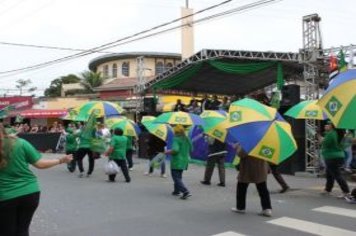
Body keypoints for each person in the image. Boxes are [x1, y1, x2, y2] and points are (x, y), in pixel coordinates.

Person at [0, 123, 72, 236]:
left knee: (6, 231)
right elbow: (40, 164)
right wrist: (60, 160)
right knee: (22, 230)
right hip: (30, 192)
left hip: (5, 196)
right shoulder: (20, 143)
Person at [231, 145, 272, 217]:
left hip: (248, 167)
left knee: (241, 187)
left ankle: (240, 207)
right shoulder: (265, 141)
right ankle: (267, 209)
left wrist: (237, 147)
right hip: (261, 167)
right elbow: (268, 155)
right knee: (262, 188)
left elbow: (240, 154)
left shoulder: (249, 141)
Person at [319, 121, 350, 197]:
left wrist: (320, 137)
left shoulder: (331, 133)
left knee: (337, 174)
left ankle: (346, 191)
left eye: (329, 124)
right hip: (339, 156)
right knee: (329, 173)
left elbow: (325, 144)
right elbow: (346, 144)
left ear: (332, 126)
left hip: (331, 157)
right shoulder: (340, 133)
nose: (327, 126)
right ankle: (328, 189)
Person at [165, 125, 192, 200]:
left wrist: (167, 152)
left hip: (177, 161)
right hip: (184, 161)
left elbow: (175, 150)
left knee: (176, 177)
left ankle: (185, 191)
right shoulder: (187, 139)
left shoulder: (176, 139)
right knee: (179, 176)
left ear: (176, 132)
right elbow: (192, 148)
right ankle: (176, 191)